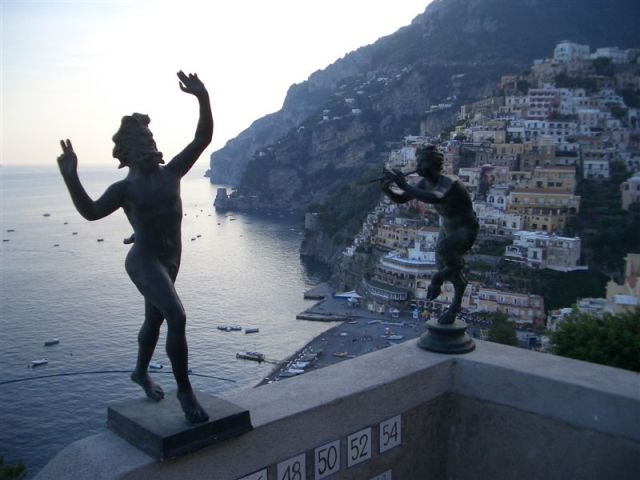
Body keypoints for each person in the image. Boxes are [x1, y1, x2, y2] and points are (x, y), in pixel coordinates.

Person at [57, 71, 213, 424]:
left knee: (154, 320)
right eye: (139, 140)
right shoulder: (123, 190)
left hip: (171, 259)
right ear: (127, 153)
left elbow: (201, 138)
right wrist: (71, 177)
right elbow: (92, 212)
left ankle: (140, 373)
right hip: (143, 260)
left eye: (148, 136)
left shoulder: (172, 173)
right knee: (177, 315)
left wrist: (202, 97)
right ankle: (185, 392)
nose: (147, 143)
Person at [381, 145, 478, 325]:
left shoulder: (449, 181)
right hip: (447, 228)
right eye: (418, 162)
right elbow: (402, 198)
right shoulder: (425, 183)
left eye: (421, 162)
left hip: (466, 229)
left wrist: (404, 184)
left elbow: (435, 197)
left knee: (443, 254)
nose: (418, 165)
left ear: (432, 164)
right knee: (442, 265)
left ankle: (439, 280)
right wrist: (387, 189)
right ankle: (454, 292)